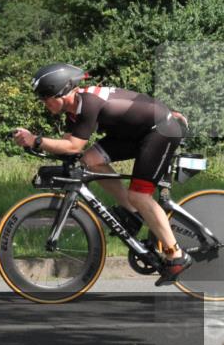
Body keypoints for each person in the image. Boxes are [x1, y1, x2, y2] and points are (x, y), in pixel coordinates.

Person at [12, 63, 191, 285]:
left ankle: (176, 255)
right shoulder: (74, 110)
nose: (44, 103)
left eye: (47, 97)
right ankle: (133, 213)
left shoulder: (88, 103)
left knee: (140, 195)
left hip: (160, 131)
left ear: (62, 91)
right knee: (90, 161)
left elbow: (73, 146)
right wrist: (36, 144)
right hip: (136, 132)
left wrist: (36, 141)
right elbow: (69, 146)